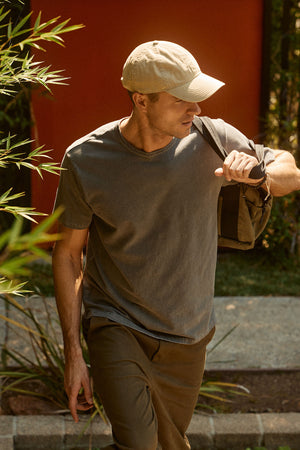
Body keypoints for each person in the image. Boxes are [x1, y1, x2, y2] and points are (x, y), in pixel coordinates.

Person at [52, 40, 300, 450]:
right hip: (116, 321)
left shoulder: (211, 139)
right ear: (141, 101)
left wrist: (259, 173)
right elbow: (67, 255)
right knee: (138, 441)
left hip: (188, 333)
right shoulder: (85, 159)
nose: (196, 109)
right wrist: (74, 354)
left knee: (169, 442)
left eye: (197, 98)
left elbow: (290, 170)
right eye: (184, 99)